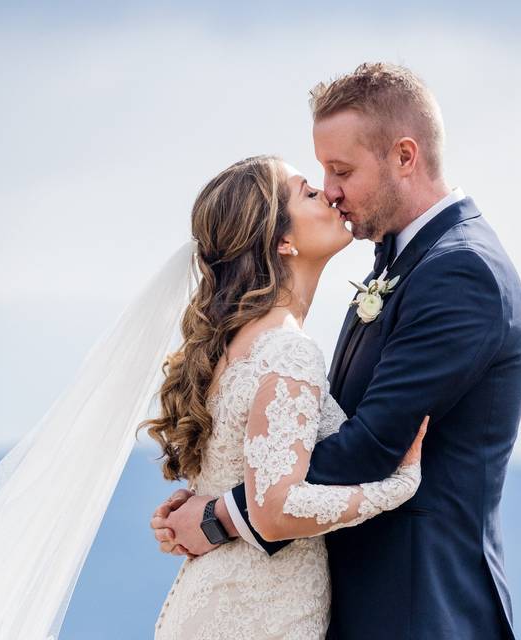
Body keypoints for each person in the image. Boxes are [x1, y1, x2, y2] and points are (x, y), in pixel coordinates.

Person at [150, 62, 521, 640]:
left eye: (341, 171)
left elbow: (373, 446)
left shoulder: (461, 273)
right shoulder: (397, 269)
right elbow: (298, 443)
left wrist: (221, 513)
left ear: (405, 156)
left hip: (417, 606)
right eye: (321, 176)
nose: (330, 191)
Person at [144, 154, 428, 639]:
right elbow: (275, 513)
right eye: (309, 193)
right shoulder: (287, 351)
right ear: (283, 241)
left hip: (215, 600)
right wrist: (395, 489)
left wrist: (200, 511)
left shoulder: (233, 345)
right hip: (260, 616)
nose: (329, 193)